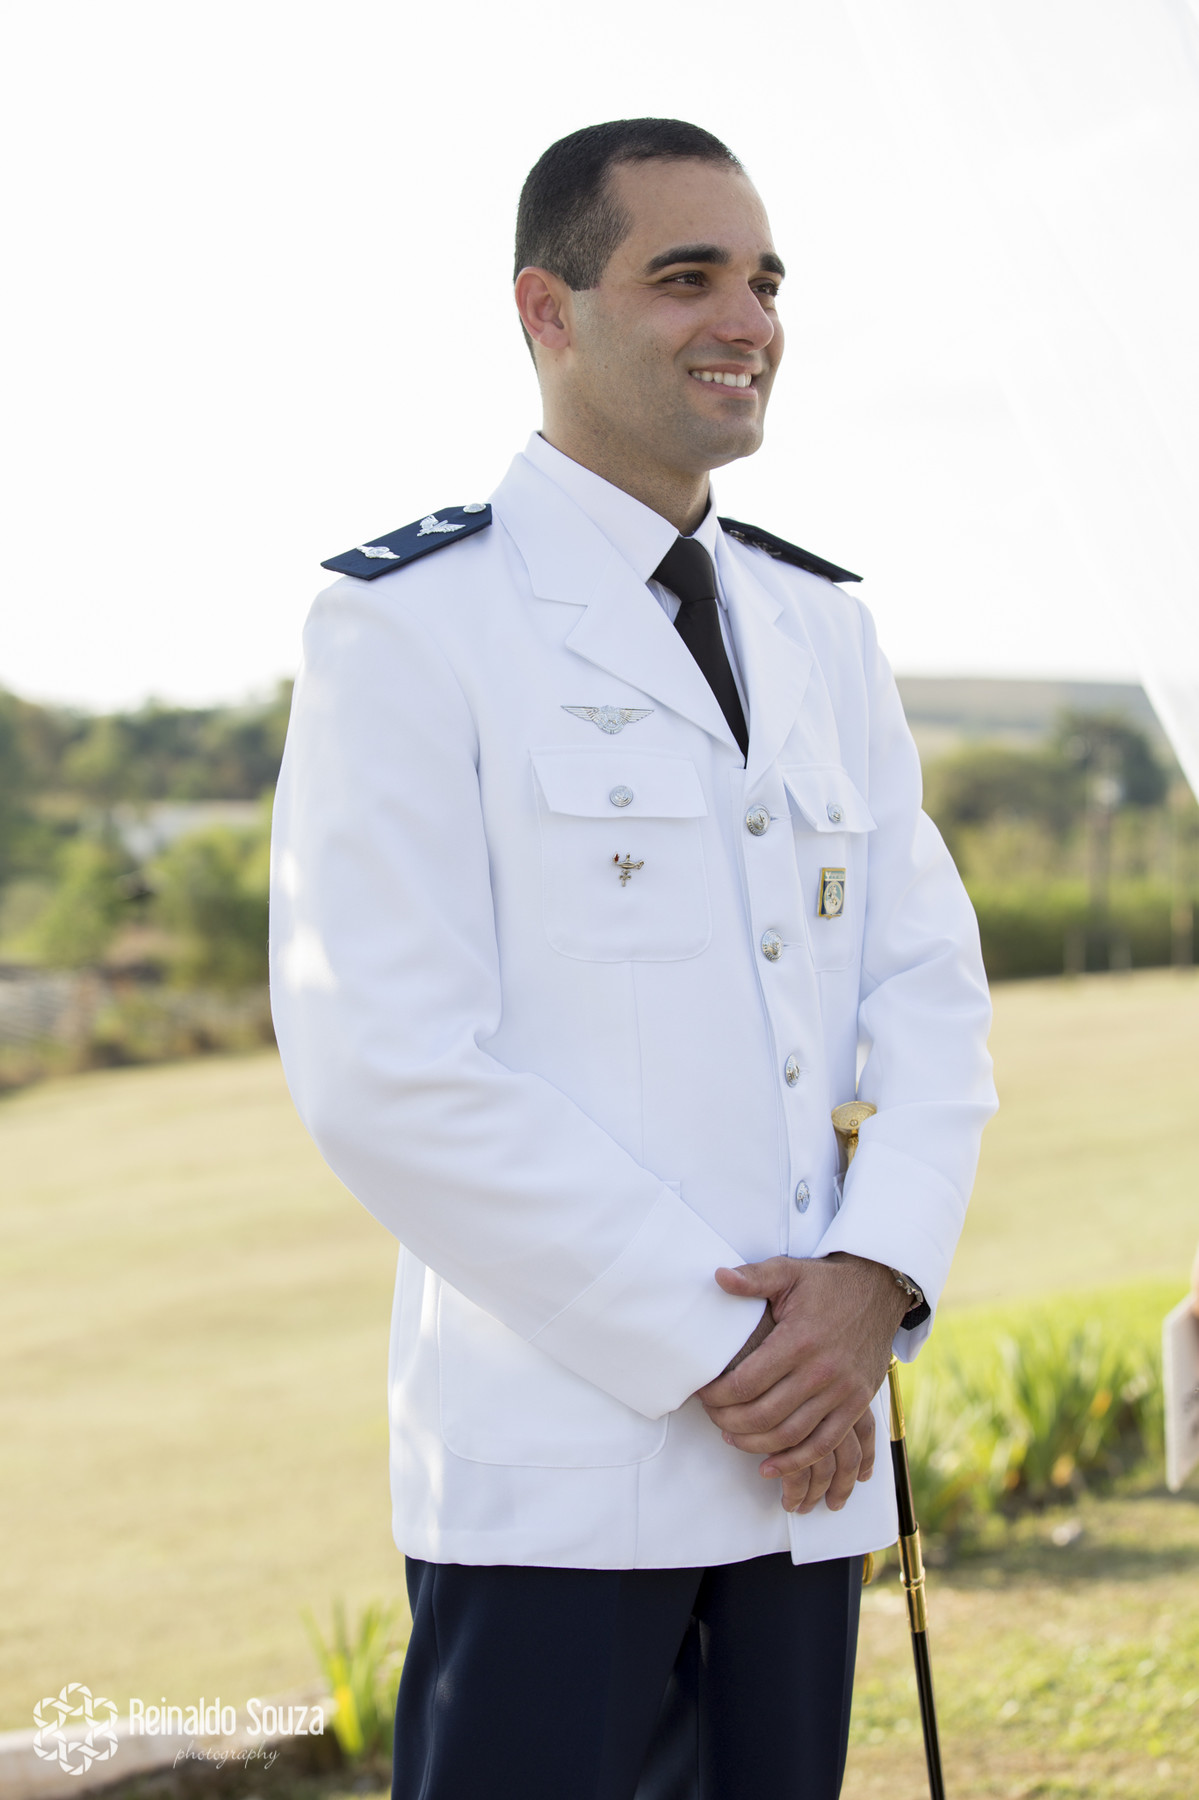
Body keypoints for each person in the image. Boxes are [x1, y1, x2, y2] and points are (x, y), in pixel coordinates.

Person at [269, 118, 997, 1800]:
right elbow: (387, 1066)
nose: (746, 320)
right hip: (563, 1478)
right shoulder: (409, 622)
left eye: (765, 281)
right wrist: (738, 1352)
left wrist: (872, 1279)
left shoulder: (824, 628)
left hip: (800, 1478)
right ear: (548, 310)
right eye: (687, 278)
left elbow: (927, 994)